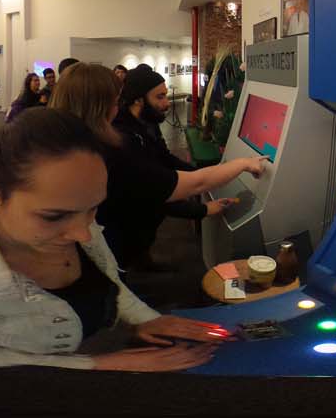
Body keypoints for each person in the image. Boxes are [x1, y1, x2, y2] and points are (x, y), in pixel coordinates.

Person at [0, 108, 232, 371]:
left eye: (93, 208)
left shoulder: (83, 232)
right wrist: (91, 364)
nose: (82, 233)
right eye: (53, 216)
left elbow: (111, 282)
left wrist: (144, 319)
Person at [49, 63, 266, 270]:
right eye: (115, 102)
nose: (118, 108)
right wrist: (242, 164)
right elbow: (158, 187)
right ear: (99, 108)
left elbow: (158, 172)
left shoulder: (68, 146)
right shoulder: (116, 147)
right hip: (99, 251)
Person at [112, 66, 239, 269]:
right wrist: (203, 207)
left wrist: (201, 175)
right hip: (123, 229)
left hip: (142, 222)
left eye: (165, 95)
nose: (167, 103)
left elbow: (165, 158)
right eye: (160, 97)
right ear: (138, 100)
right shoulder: (124, 137)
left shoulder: (146, 123)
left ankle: (142, 261)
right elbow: (153, 193)